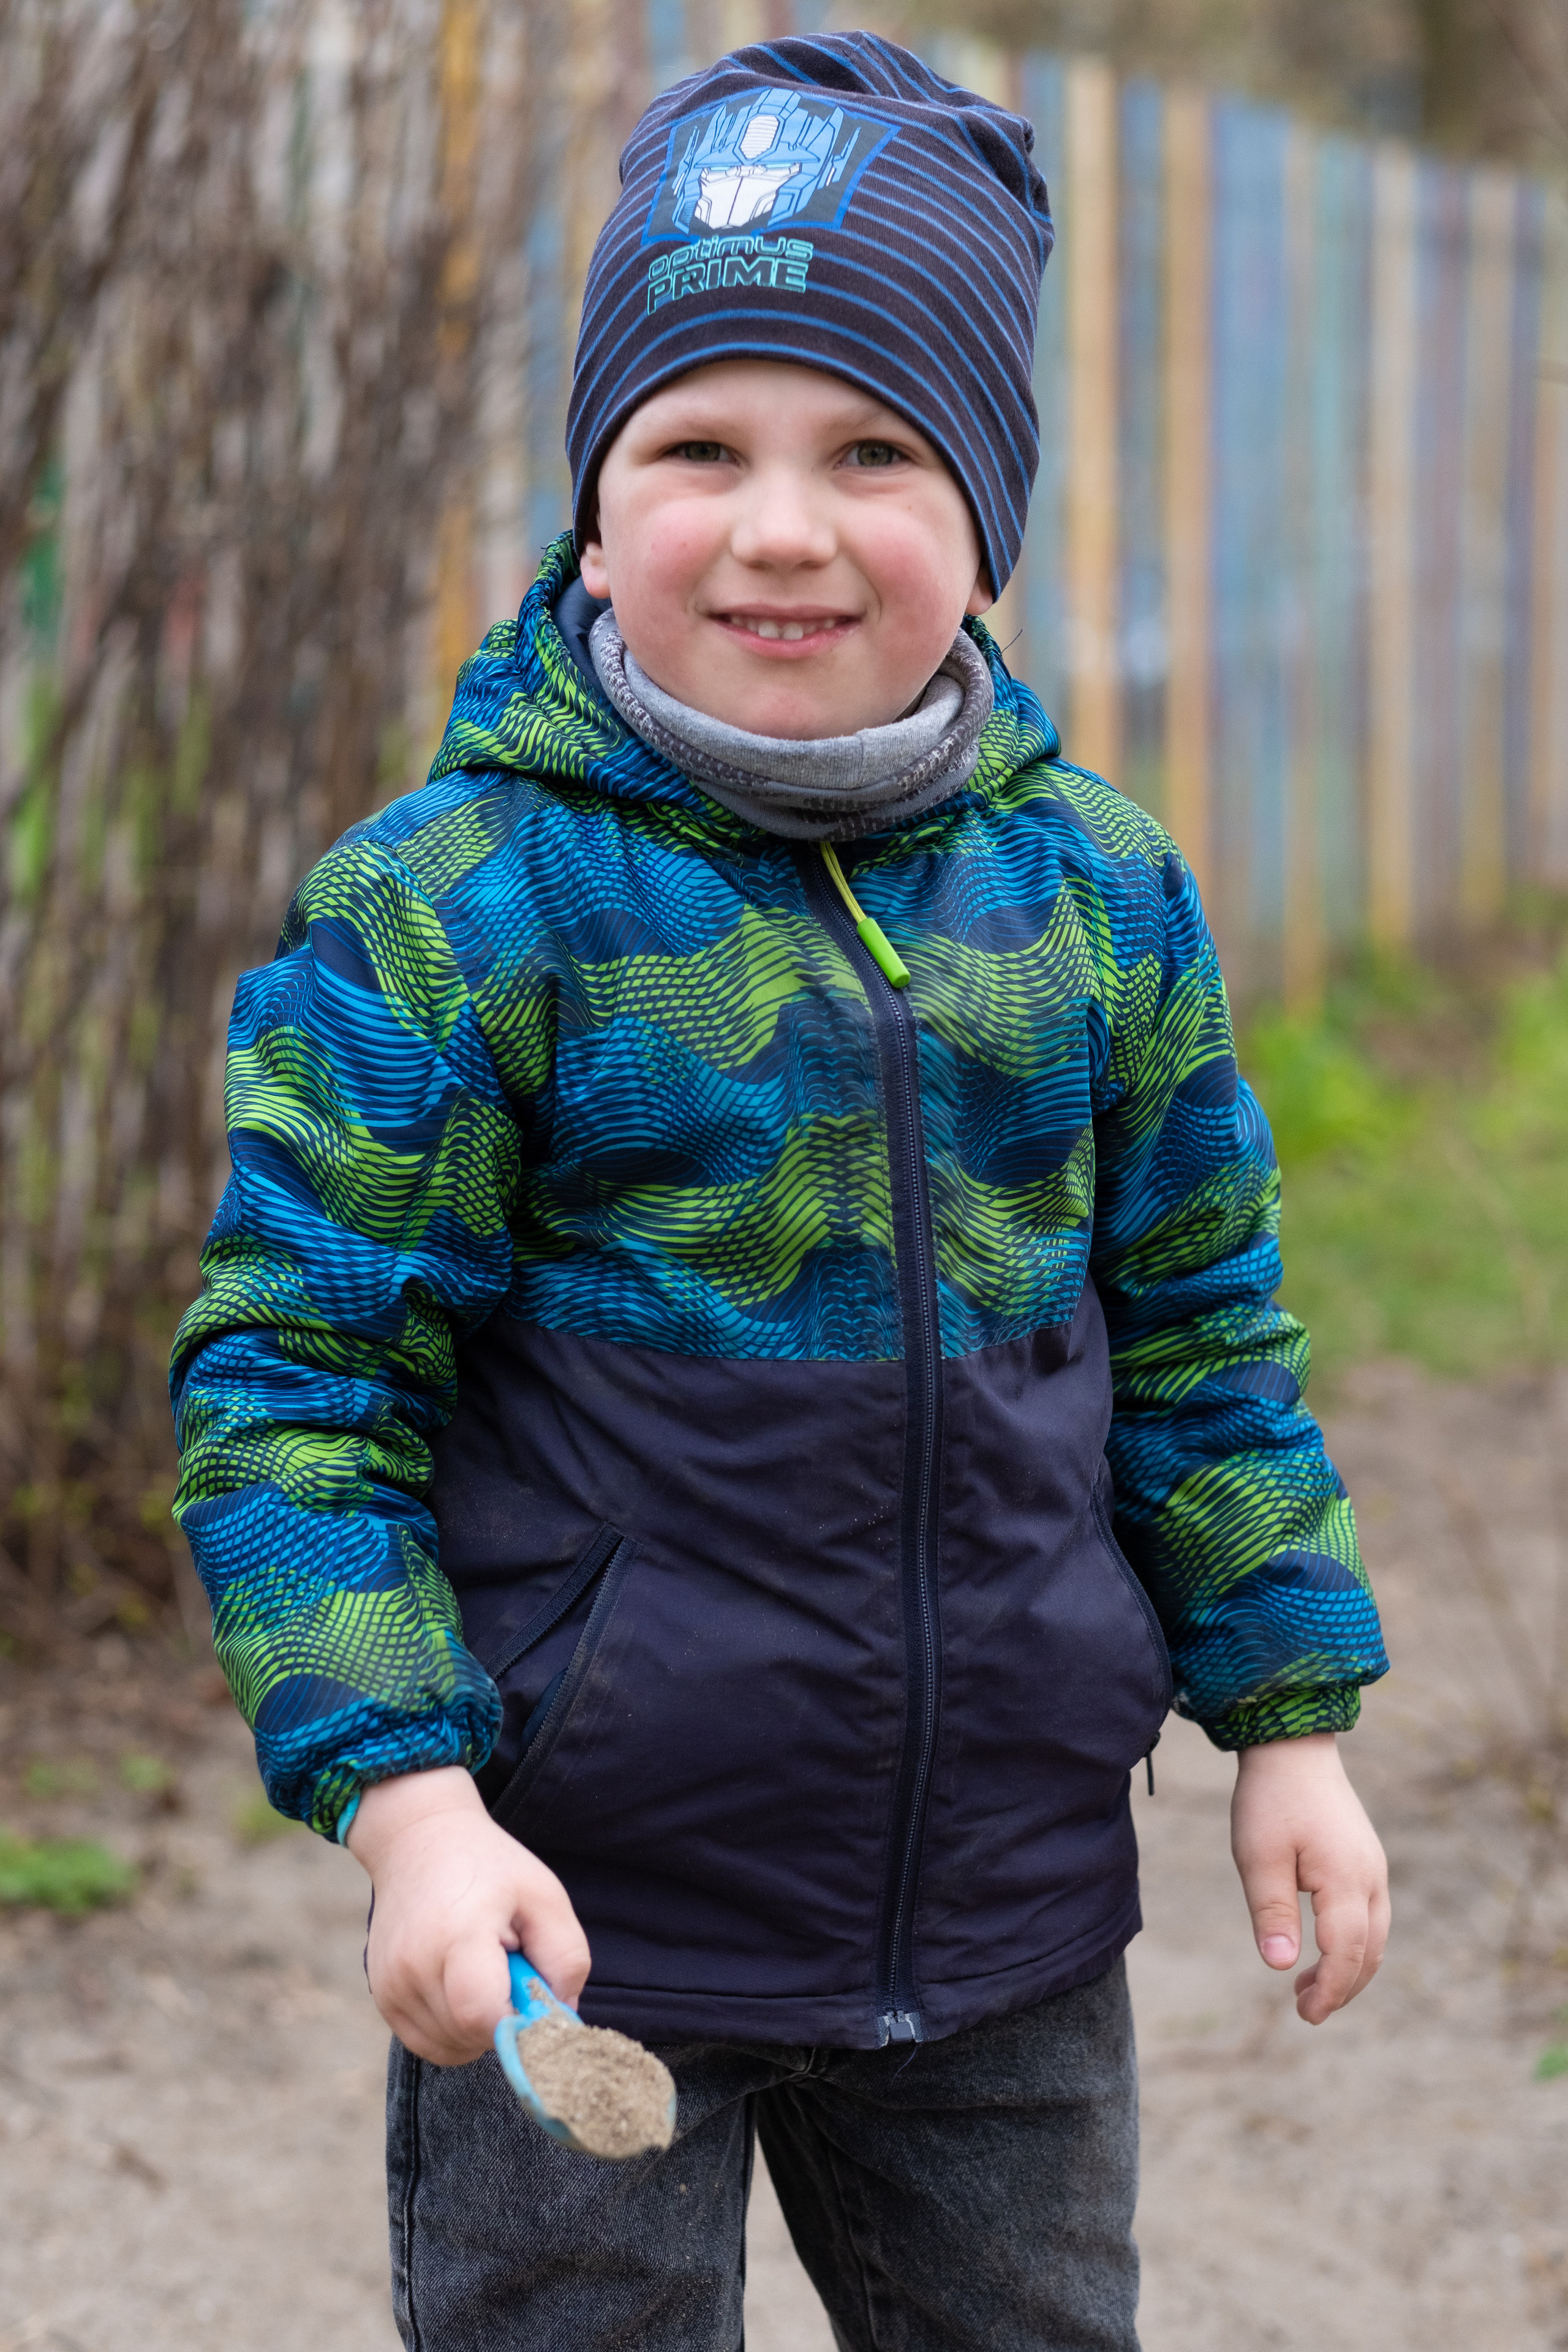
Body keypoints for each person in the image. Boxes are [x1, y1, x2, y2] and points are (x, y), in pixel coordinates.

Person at [170, 32, 1390, 2351]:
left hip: (1017, 1912)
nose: (782, 524)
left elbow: (1209, 1337)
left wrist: (1292, 1724)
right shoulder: (463, 909)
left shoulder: (1101, 899)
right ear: (595, 496)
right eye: (697, 445)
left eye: (877, 449)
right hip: (584, 1916)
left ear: (992, 503)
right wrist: (413, 1807)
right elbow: (295, 1395)